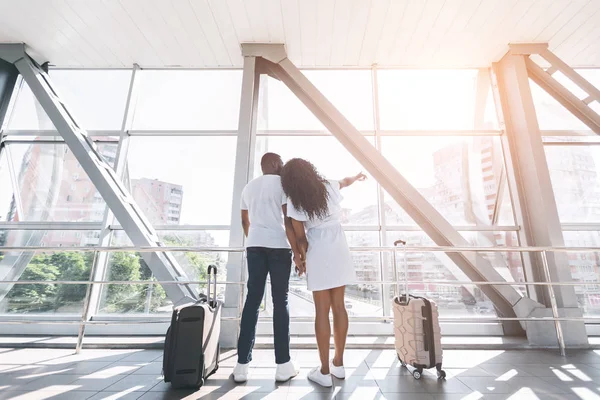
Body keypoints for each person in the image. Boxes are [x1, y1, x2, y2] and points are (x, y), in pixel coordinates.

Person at [281, 158, 366, 388]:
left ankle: (325, 372)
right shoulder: (328, 184)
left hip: (318, 246)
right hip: (338, 243)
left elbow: (300, 238)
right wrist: (357, 178)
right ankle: (338, 364)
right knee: (340, 306)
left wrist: (301, 260)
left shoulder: (294, 199)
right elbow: (345, 182)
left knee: (321, 310)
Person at [233, 153, 300, 383]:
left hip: (255, 246)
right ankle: (283, 365)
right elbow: (288, 220)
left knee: (252, 301)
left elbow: (244, 220)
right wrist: (298, 253)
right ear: (272, 164)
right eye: (280, 162)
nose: (282, 165)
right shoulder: (283, 185)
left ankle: (241, 366)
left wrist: (253, 239)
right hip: (279, 247)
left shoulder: (248, 187)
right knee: (280, 301)